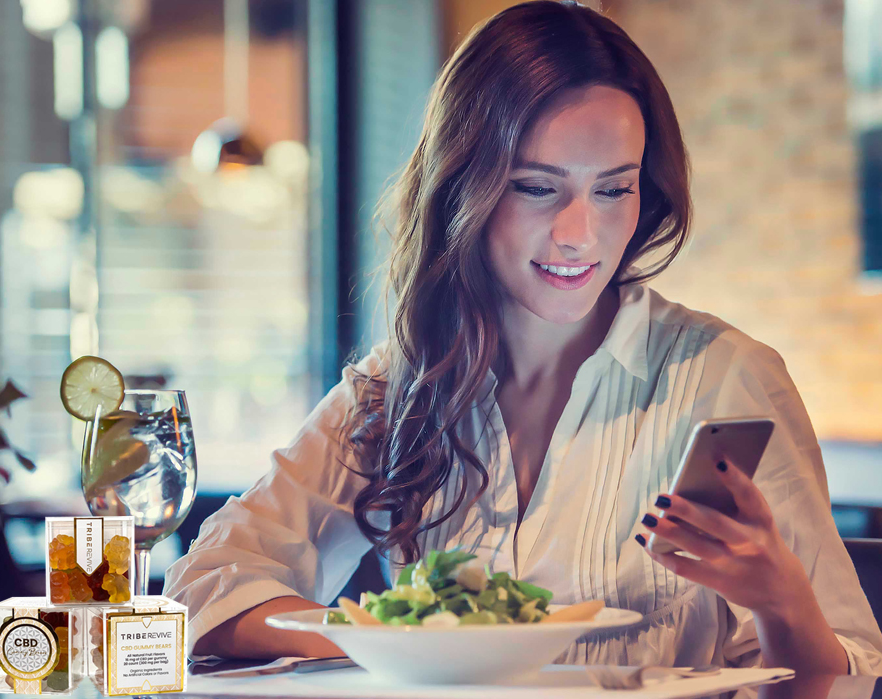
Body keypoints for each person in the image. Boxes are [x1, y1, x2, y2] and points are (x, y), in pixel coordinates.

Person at [163, 0, 882, 674]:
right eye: (538, 187)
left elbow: (849, 669)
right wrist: (401, 640)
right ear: (461, 188)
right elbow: (203, 585)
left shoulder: (724, 376)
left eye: (613, 189)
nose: (580, 235)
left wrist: (782, 598)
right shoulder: (403, 384)